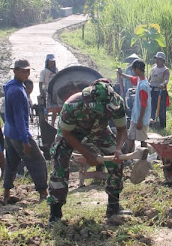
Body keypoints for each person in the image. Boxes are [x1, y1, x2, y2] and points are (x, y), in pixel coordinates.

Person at [48, 79, 129, 223]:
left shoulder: (117, 103)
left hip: (99, 129)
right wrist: (87, 154)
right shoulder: (72, 105)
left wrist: (118, 149)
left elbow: (122, 129)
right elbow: (67, 134)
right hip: (72, 132)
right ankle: (55, 213)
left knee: (117, 162)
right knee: (60, 161)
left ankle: (113, 207)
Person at [2, 59, 48, 204]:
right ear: (15, 71)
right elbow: (19, 118)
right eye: (22, 71)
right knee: (38, 162)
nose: (26, 73)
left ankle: (6, 193)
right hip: (18, 133)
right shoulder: (17, 92)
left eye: (28, 71)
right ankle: (43, 193)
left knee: (11, 163)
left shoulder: (11, 87)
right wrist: (25, 140)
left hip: (9, 132)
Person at [117, 59, 151, 154]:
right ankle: (128, 156)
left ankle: (144, 158)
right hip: (136, 117)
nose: (133, 71)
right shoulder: (140, 79)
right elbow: (132, 79)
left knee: (142, 140)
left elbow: (144, 105)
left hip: (141, 118)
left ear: (137, 69)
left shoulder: (144, 86)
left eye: (134, 69)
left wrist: (140, 121)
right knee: (131, 137)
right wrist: (122, 74)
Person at [149, 51, 170, 129]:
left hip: (160, 91)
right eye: (157, 59)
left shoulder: (165, 70)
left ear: (163, 60)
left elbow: (166, 80)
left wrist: (163, 84)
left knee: (161, 109)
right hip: (152, 90)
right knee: (152, 107)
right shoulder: (153, 67)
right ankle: (152, 123)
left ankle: (162, 126)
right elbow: (150, 78)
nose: (157, 61)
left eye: (159, 59)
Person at [39, 54, 59, 125]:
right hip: (47, 91)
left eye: (53, 61)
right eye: (51, 62)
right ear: (47, 62)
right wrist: (41, 93)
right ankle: (46, 122)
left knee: (55, 108)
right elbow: (40, 83)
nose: (52, 63)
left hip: (55, 91)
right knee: (46, 108)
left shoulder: (56, 70)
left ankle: (53, 122)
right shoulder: (43, 72)